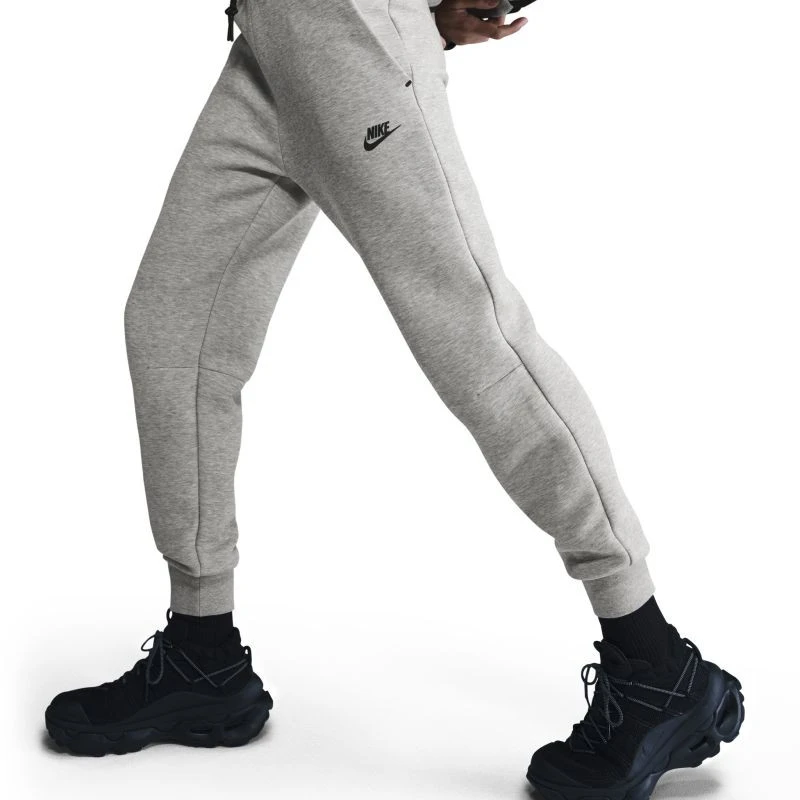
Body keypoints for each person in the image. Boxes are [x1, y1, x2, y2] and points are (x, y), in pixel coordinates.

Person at [45, 2, 744, 797]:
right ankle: (202, 655)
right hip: (270, 48)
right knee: (174, 328)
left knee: (476, 341)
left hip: (354, 40)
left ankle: (654, 665)